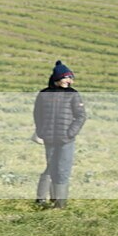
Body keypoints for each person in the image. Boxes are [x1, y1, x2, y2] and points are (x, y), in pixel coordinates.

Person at [33, 60, 86, 208]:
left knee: (62, 170)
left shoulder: (73, 95)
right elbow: (37, 114)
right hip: (49, 138)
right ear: (57, 78)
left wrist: (70, 133)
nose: (70, 81)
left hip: (66, 140)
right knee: (51, 167)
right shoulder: (43, 94)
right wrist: (41, 131)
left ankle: (59, 204)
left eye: (71, 78)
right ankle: (42, 200)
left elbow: (81, 116)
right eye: (66, 77)